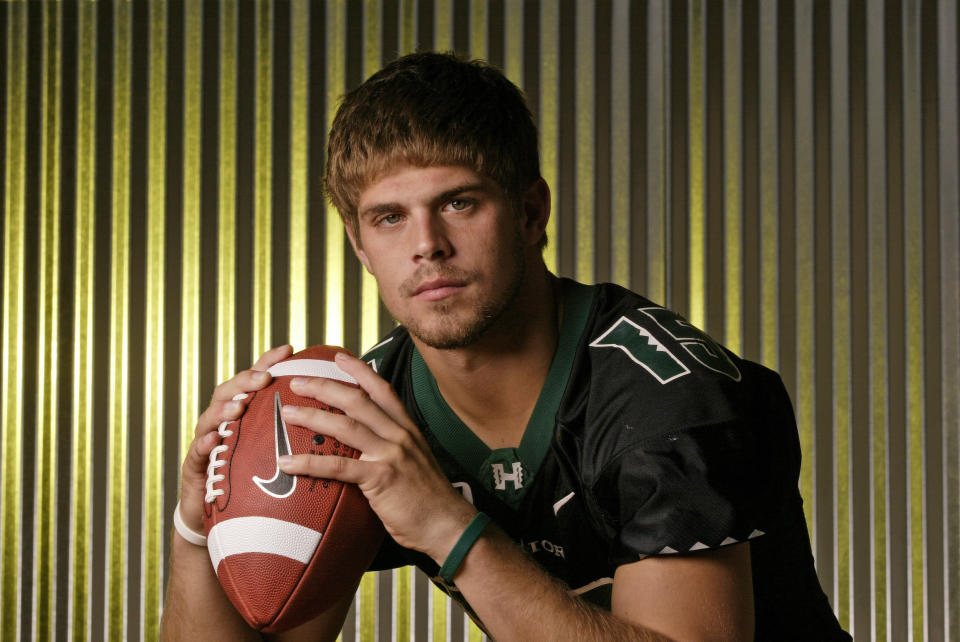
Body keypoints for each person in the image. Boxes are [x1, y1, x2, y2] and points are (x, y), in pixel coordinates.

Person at [162, 52, 850, 641]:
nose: (426, 244)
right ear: (359, 244)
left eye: (459, 202)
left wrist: (447, 526)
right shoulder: (368, 411)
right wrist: (199, 524)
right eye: (390, 217)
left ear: (530, 212)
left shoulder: (665, 398)